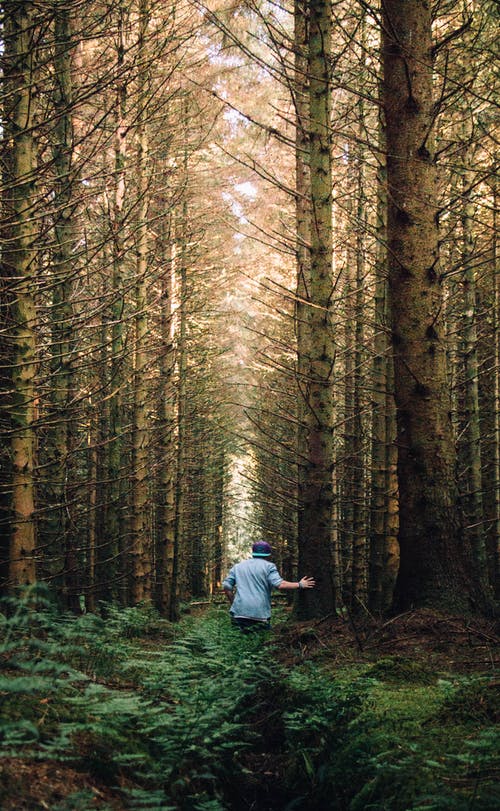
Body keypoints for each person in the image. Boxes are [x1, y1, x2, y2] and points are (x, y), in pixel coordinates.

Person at [222, 541, 315, 633]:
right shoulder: (269, 567)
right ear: (268, 555)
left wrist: (233, 602)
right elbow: (279, 584)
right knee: (260, 644)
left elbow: (226, 585)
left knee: (239, 643)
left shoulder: (238, 567)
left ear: (253, 552)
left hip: (238, 612)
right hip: (259, 613)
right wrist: (300, 584)